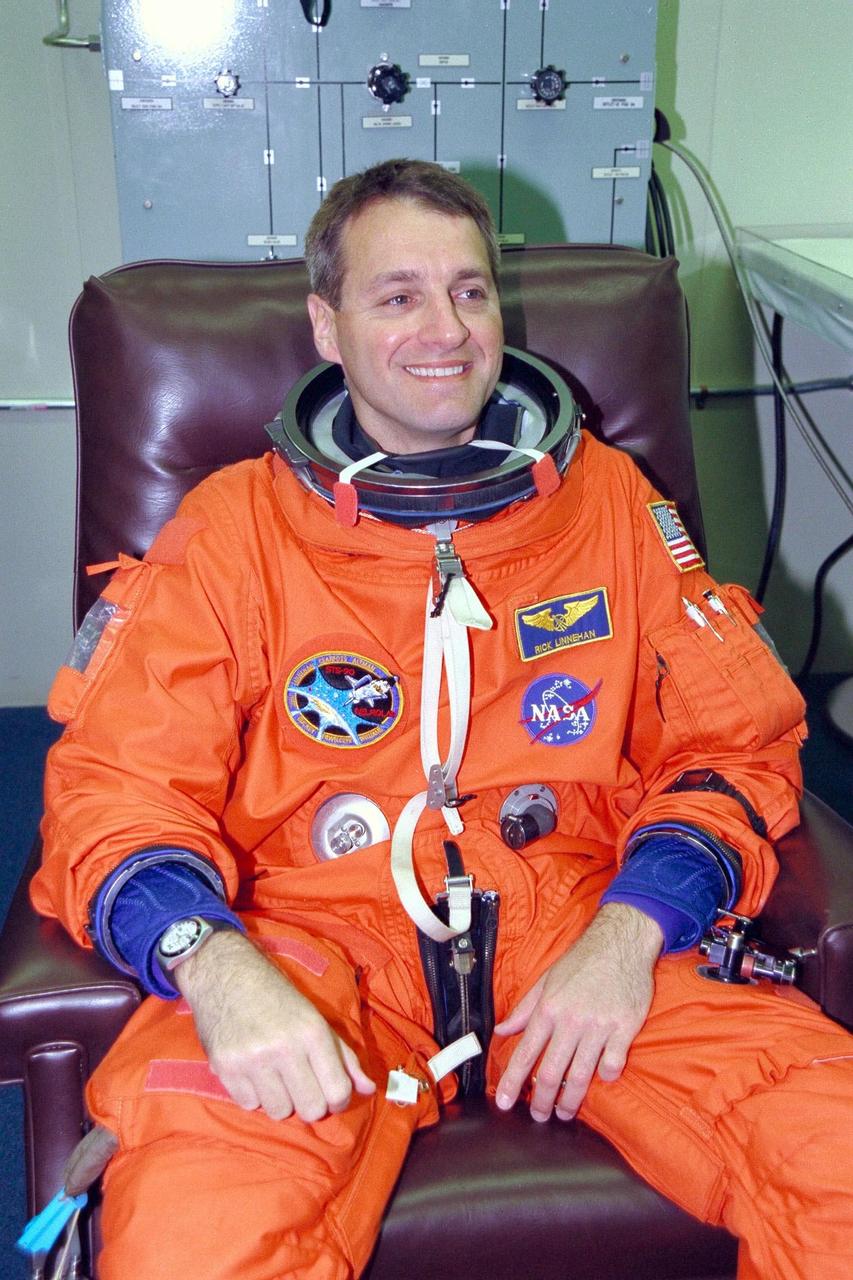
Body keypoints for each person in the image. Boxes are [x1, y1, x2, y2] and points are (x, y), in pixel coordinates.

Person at [33, 159, 853, 1279]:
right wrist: (212, 963)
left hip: (577, 925)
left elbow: (732, 744)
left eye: (471, 291)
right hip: (312, 947)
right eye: (398, 295)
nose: (447, 330)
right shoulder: (231, 532)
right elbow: (114, 786)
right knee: (194, 1234)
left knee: (832, 1157)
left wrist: (632, 931)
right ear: (326, 327)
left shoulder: (611, 503)